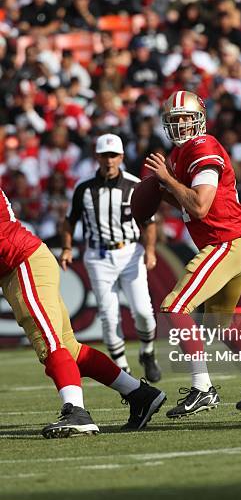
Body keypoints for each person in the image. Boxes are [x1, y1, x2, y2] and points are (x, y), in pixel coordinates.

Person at [145, 90, 241, 418]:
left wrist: (165, 180)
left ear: (199, 119)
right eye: (174, 120)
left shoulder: (202, 147)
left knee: (173, 306)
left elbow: (199, 205)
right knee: (221, 322)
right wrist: (159, 192)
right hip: (236, 241)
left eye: (185, 118)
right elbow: (186, 201)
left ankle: (202, 388)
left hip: (226, 241)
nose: (180, 125)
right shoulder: (182, 153)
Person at [0, 187, 166, 438]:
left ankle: (76, 411)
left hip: (21, 263)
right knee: (70, 350)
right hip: (23, 264)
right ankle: (140, 394)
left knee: (49, 343)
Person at [60, 133, 161, 382]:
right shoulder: (83, 187)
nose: (109, 161)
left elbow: (149, 223)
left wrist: (149, 251)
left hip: (129, 251)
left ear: (122, 157)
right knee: (108, 314)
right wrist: (67, 248)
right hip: (97, 254)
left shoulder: (134, 184)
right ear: (96, 157)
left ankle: (147, 352)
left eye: (113, 155)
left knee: (144, 312)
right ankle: (122, 368)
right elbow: (69, 221)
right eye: (104, 155)